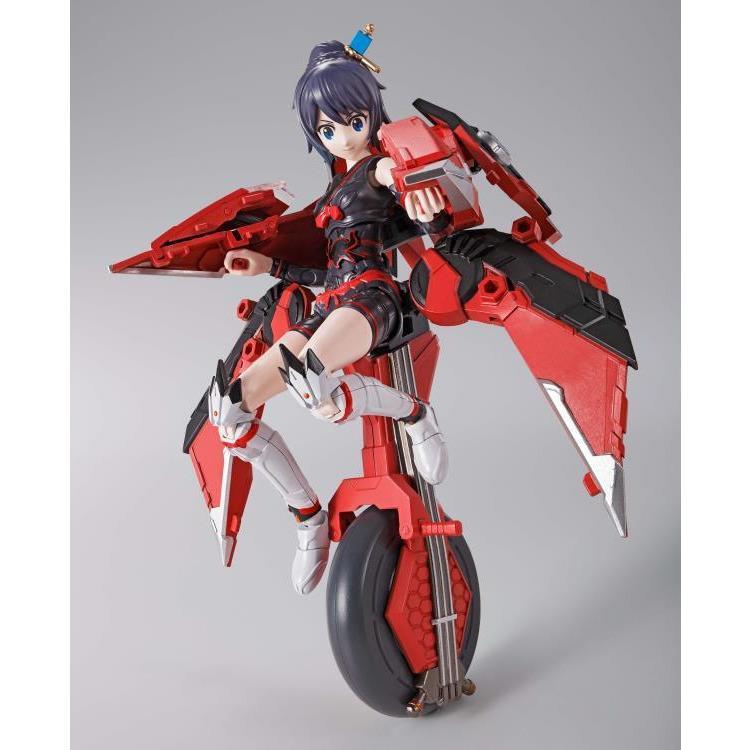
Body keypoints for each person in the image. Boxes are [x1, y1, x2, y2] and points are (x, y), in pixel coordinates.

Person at [208, 38, 450, 595]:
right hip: (331, 301)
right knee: (232, 410)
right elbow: (325, 271)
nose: (341, 135)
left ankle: (415, 413)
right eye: (326, 128)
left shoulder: (379, 168)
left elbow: (412, 189)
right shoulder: (334, 189)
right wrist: (268, 265)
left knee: (313, 383)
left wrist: (425, 201)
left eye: (353, 120)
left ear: (371, 115)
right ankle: (308, 517)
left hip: (373, 298)